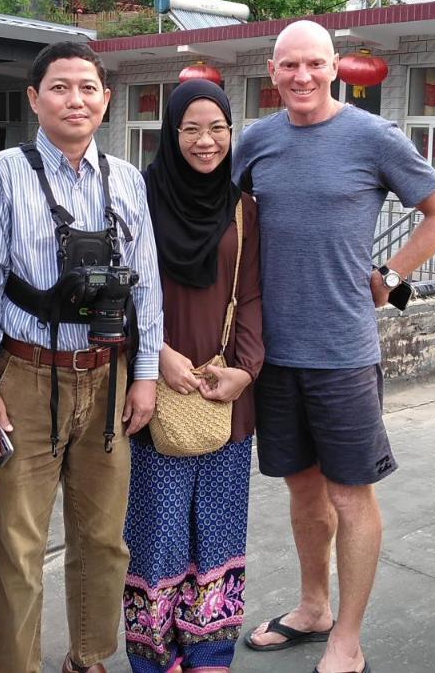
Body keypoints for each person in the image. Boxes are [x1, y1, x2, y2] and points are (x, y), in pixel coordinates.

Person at [237, 20, 435, 673]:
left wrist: (390, 278)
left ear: (334, 66)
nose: (302, 77)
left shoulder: (372, 137)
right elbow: (217, 216)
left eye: (313, 64)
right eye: (289, 66)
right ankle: (314, 608)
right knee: (302, 493)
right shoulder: (255, 141)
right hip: (273, 356)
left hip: (341, 353)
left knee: (349, 497)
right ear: (271, 71)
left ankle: (349, 640)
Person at [0, 41, 163, 673]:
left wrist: (147, 374)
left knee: (104, 539)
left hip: (107, 376)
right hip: (24, 376)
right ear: (33, 99)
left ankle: (89, 657)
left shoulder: (128, 179)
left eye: (87, 87)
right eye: (59, 87)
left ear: (106, 99)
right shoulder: (2, 172)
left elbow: (148, 285)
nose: (75, 99)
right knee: (20, 546)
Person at [122, 80, 263, 673]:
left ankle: (210, 654)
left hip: (224, 395)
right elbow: (121, 293)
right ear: (170, 134)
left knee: (221, 531)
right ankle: (156, 657)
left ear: (232, 133)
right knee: (158, 535)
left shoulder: (242, 208)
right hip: (157, 389)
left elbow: (253, 295)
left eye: (218, 129)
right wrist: (155, 356)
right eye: (191, 129)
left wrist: (245, 372)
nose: (206, 142)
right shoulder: (138, 200)